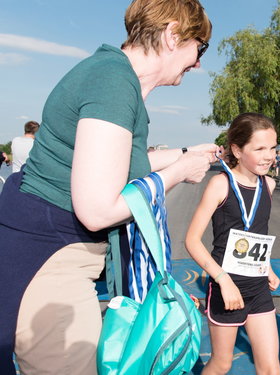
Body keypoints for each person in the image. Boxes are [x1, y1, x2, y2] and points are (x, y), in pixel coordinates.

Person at [0, 1, 216, 374]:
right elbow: (98, 209)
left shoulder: (114, 76)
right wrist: (179, 172)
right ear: (172, 35)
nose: (197, 62)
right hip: (51, 257)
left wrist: (186, 154)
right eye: (201, 47)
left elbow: (113, 164)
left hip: (54, 249)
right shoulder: (114, 82)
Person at [185, 113, 280, 375]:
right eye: (259, 148)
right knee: (221, 364)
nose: (269, 155)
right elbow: (192, 240)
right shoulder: (220, 184)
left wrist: (267, 266)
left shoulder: (268, 185)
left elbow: (256, 233)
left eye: (273, 148)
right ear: (237, 150)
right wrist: (223, 280)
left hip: (258, 288)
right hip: (227, 288)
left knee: (271, 369)